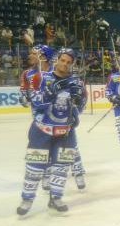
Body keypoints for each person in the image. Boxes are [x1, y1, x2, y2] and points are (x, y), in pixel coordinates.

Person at [16, 48, 85, 215]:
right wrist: (50, 92)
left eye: (69, 62)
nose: (65, 64)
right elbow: (33, 101)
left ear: (72, 64)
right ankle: (27, 199)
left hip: (65, 132)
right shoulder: (41, 78)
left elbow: (81, 104)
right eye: (62, 60)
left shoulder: (77, 82)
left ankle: (56, 197)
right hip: (42, 130)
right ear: (57, 60)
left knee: (61, 167)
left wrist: (77, 109)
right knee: (34, 166)